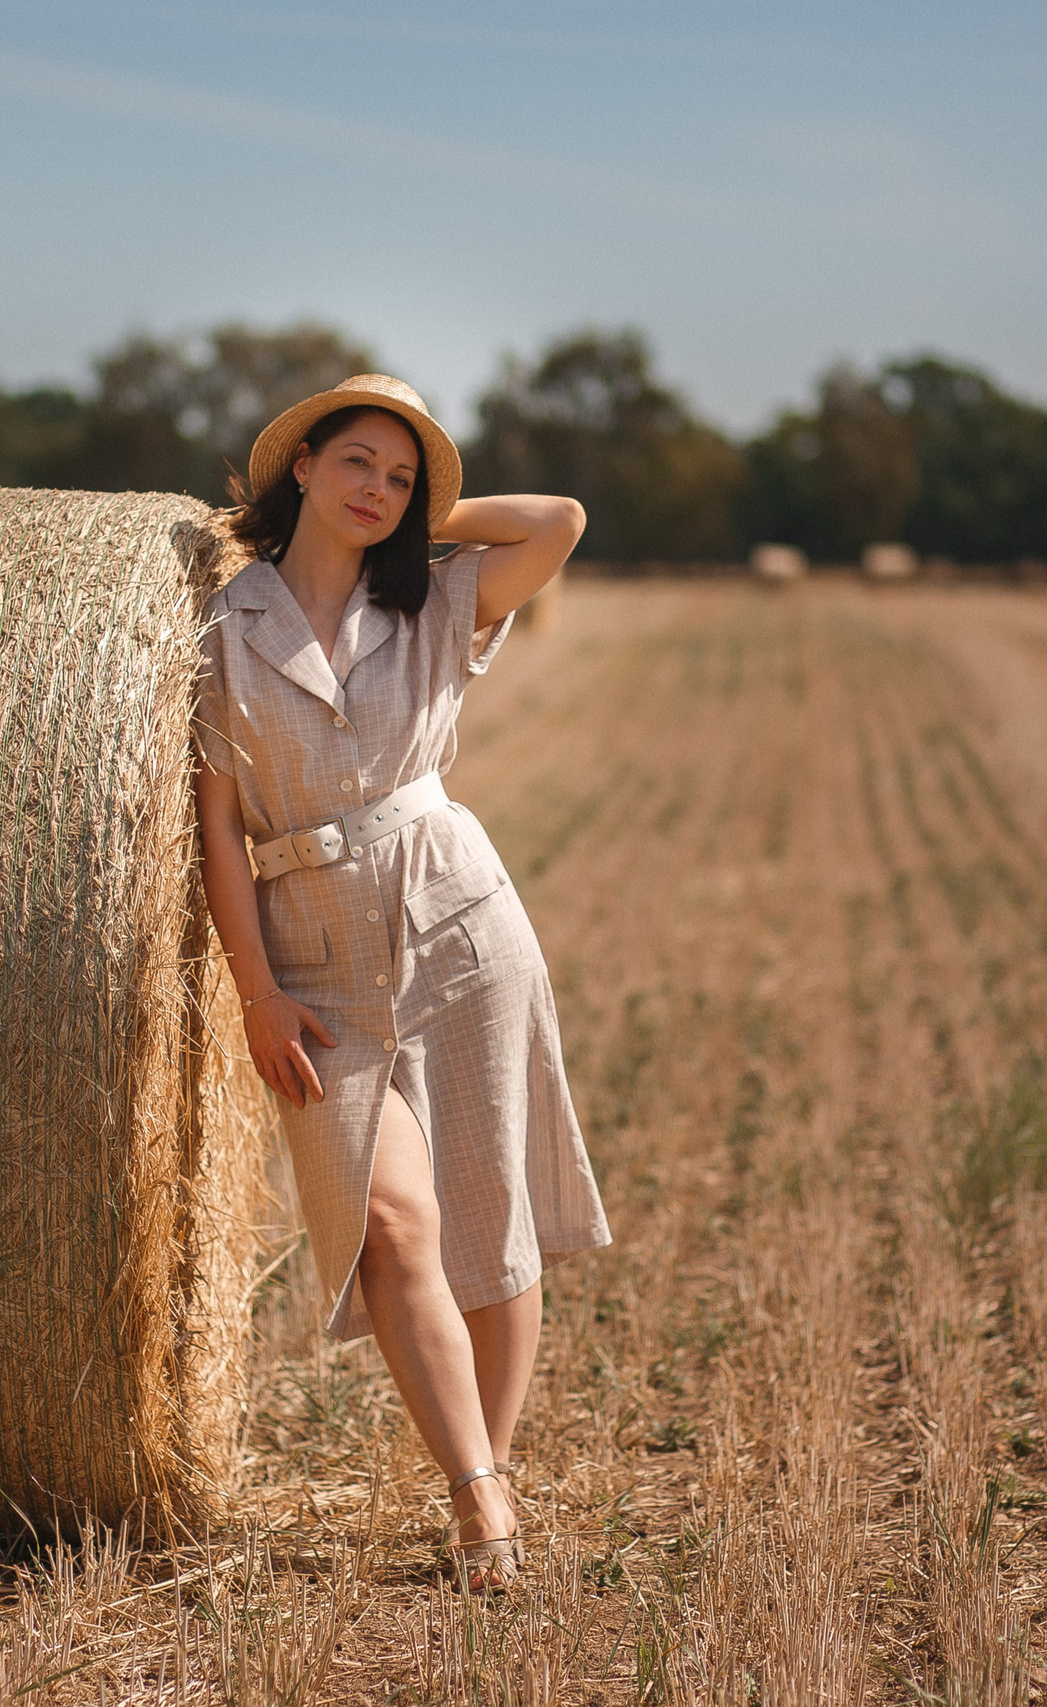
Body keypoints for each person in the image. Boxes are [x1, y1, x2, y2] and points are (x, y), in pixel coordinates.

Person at [192, 375, 611, 1590]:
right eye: (358, 463)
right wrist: (256, 992)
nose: (378, 489)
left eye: (402, 475)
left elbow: (561, 521)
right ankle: (481, 1486)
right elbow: (219, 828)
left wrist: (424, 530)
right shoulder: (221, 627)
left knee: (490, 1218)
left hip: (462, 920)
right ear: (303, 466)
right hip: (310, 950)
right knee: (388, 1223)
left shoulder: (435, 599)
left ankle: (482, 1489)